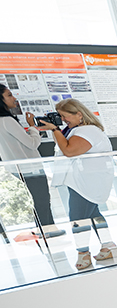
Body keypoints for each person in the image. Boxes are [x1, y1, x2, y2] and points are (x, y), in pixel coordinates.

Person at [34, 99, 116, 271]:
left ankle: (83, 253)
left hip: (87, 183)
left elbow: (69, 151)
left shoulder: (88, 131)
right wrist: (56, 130)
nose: (63, 120)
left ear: (79, 114)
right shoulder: (77, 129)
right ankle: (108, 246)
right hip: (82, 181)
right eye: (60, 117)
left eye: (65, 116)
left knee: (77, 218)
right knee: (94, 214)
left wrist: (55, 130)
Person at [0, 84, 64, 238]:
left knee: (39, 199)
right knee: (42, 199)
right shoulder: (7, 120)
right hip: (29, 167)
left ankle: (48, 229)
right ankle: (46, 231)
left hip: (17, 168)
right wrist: (32, 127)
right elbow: (32, 143)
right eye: (9, 95)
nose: (14, 98)